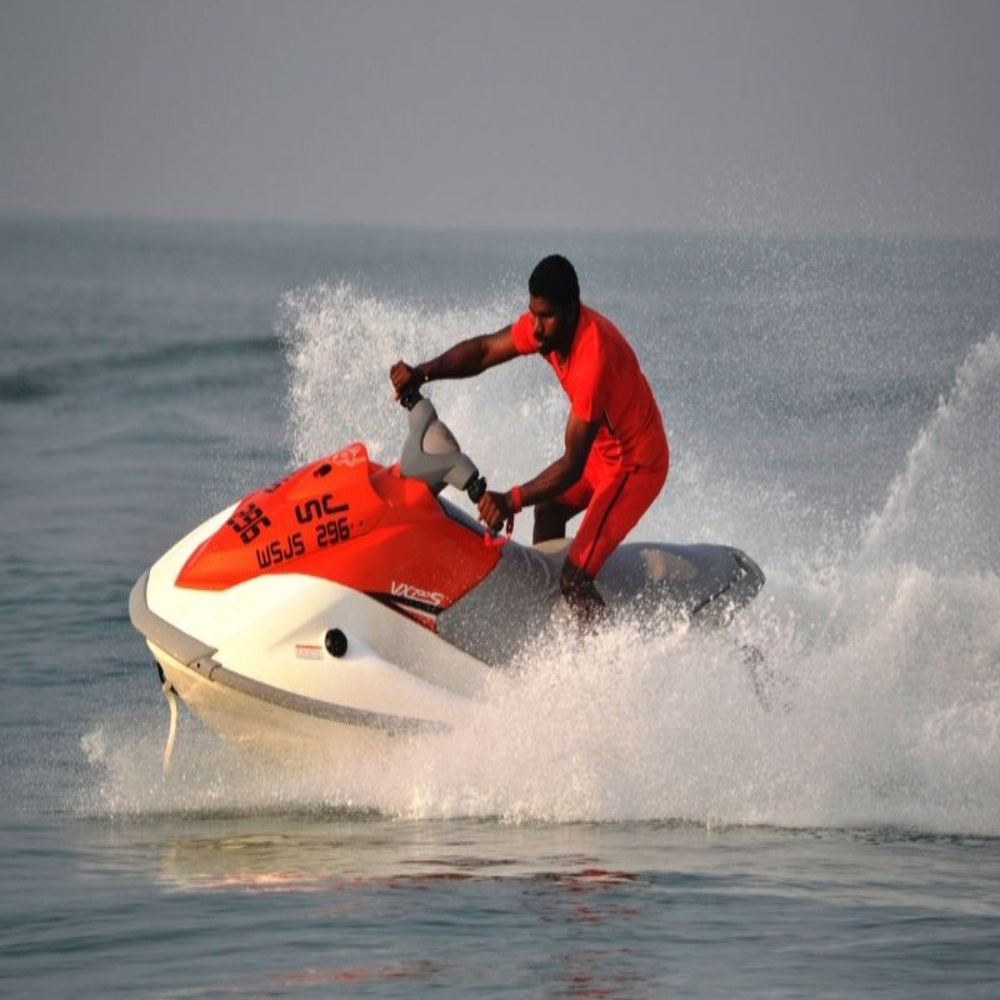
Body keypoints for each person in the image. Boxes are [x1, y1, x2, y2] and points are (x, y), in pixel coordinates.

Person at [390, 255, 668, 622]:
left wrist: (511, 499)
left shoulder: (593, 361)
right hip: (604, 449)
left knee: (576, 579)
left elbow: (571, 466)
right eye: (532, 313)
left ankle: (610, 666)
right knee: (549, 510)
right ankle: (547, 622)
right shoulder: (545, 331)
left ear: (571, 311)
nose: (535, 327)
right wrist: (423, 373)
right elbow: (486, 351)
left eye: (546, 316)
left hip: (636, 464)